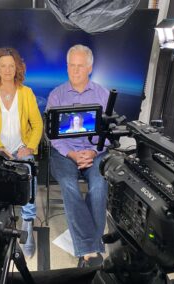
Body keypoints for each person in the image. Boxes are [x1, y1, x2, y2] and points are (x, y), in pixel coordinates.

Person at [46, 44, 109, 267]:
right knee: (68, 185)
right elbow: (52, 136)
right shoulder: (56, 95)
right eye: (71, 66)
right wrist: (73, 154)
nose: (75, 71)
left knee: (99, 186)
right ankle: (90, 248)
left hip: (95, 152)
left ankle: (87, 246)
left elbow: (107, 134)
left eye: (80, 66)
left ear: (90, 68)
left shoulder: (102, 94)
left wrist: (92, 152)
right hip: (65, 153)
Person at [0, 47, 43, 258]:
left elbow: (37, 125)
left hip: (21, 148)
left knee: (28, 177)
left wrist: (29, 147)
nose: (7, 70)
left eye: (11, 66)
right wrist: (1, 149)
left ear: (17, 68)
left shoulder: (27, 93)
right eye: (3, 66)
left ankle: (27, 226)